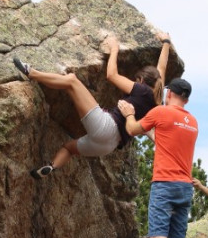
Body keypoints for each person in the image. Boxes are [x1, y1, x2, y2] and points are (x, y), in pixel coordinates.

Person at [13, 31, 172, 179]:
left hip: (106, 127)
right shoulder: (157, 104)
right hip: (108, 146)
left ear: (142, 80)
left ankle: (31, 72)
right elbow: (161, 69)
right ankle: (51, 167)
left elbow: (111, 75)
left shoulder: (142, 89)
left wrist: (114, 48)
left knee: (72, 80)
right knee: (69, 148)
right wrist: (165, 42)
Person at [119, 78, 198, 238]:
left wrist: (128, 114)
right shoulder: (192, 122)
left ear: (170, 93)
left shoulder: (161, 112)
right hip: (184, 186)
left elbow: (132, 129)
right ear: (187, 98)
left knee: (158, 235)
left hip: (164, 183)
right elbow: (166, 140)